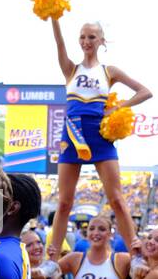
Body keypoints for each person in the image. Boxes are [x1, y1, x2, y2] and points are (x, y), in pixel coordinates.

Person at [45, 17, 152, 259]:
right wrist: (54, 18)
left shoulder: (109, 71)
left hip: (101, 136)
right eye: (82, 36)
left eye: (92, 37)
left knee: (116, 199)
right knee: (64, 203)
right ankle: (52, 259)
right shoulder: (71, 69)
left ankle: (135, 254)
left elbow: (145, 91)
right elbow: (58, 43)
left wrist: (117, 109)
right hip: (71, 135)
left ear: (102, 41)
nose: (86, 41)